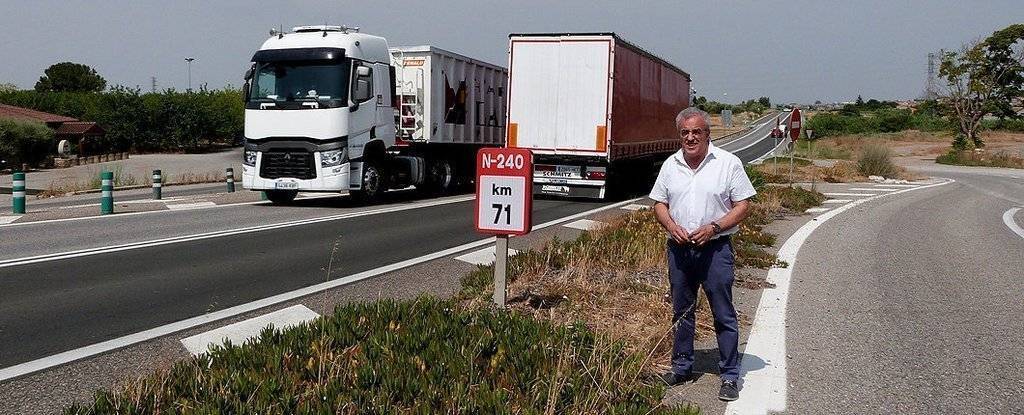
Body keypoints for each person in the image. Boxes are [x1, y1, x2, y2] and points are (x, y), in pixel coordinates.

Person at [649, 107, 756, 401]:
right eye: (685, 132)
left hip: (715, 249)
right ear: (679, 135)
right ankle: (682, 368)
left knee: (723, 312)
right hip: (680, 250)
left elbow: (743, 205)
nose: (690, 137)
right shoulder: (670, 165)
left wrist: (714, 227)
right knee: (682, 311)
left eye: (697, 132)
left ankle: (730, 374)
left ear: (708, 134)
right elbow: (659, 203)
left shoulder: (728, 163)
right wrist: (671, 225)